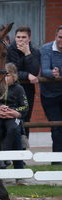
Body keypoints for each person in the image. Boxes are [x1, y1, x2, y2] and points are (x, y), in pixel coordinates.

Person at [0, 63, 28, 169]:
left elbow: (25, 107)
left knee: (13, 129)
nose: (4, 78)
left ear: (14, 76)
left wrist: (15, 112)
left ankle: (6, 156)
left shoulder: (19, 89)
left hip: (12, 117)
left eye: (7, 76)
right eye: (2, 76)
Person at [7, 26, 40, 138]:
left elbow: (35, 71)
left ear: (29, 39)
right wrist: (27, 74)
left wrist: (27, 54)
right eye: (18, 37)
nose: (20, 39)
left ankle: (25, 145)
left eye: (23, 37)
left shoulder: (35, 51)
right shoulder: (8, 51)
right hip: (10, 90)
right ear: (15, 38)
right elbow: (12, 71)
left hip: (27, 91)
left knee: (26, 118)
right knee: (10, 118)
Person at [40, 25, 62, 159]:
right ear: (55, 37)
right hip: (49, 95)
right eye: (60, 37)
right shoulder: (46, 48)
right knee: (56, 126)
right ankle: (57, 159)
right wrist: (52, 73)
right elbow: (44, 70)